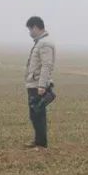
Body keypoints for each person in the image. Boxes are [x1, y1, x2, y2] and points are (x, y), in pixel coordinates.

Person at [24, 16, 56, 148]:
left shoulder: (45, 43)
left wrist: (42, 85)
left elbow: (46, 65)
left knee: (38, 114)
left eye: (30, 29)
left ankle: (41, 144)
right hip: (34, 84)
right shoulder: (40, 42)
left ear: (36, 27)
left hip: (38, 85)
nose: (30, 32)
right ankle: (38, 141)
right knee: (34, 114)